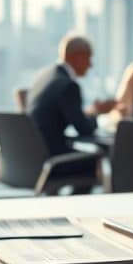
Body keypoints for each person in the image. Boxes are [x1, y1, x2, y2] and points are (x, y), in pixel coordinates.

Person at [26, 34, 117, 193]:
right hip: (52, 159)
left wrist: (90, 112)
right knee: (92, 163)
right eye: (89, 58)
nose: (90, 64)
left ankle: (61, 203)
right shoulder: (68, 86)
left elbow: (62, 115)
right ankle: (75, 207)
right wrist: (98, 113)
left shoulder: (45, 76)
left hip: (31, 155)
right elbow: (84, 129)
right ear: (78, 56)